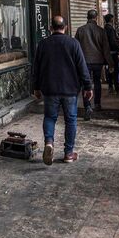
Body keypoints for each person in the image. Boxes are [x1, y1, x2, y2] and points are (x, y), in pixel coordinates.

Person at [32, 15, 92, 165]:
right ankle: (69, 154)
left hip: (50, 89)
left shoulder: (43, 44)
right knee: (70, 120)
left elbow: (36, 68)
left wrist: (36, 87)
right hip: (70, 89)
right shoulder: (73, 43)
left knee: (50, 117)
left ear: (51, 28)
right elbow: (82, 67)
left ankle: (49, 143)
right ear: (65, 27)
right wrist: (88, 86)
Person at [74, 9, 112, 116]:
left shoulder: (80, 30)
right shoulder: (101, 31)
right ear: (96, 17)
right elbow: (106, 49)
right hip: (98, 62)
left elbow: (76, 48)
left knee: (86, 84)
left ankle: (87, 106)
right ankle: (97, 104)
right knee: (97, 82)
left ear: (87, 17)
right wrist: (111, 63)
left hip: (84, 62)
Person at [103, 14, 119, 96]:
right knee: (115, 71)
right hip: (113, 53)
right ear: (111, 20)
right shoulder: (110, 29)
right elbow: (113, 42)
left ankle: (111, 87)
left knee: (110, 70)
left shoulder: (105, 28)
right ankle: (117, 89)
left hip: (107, 53)